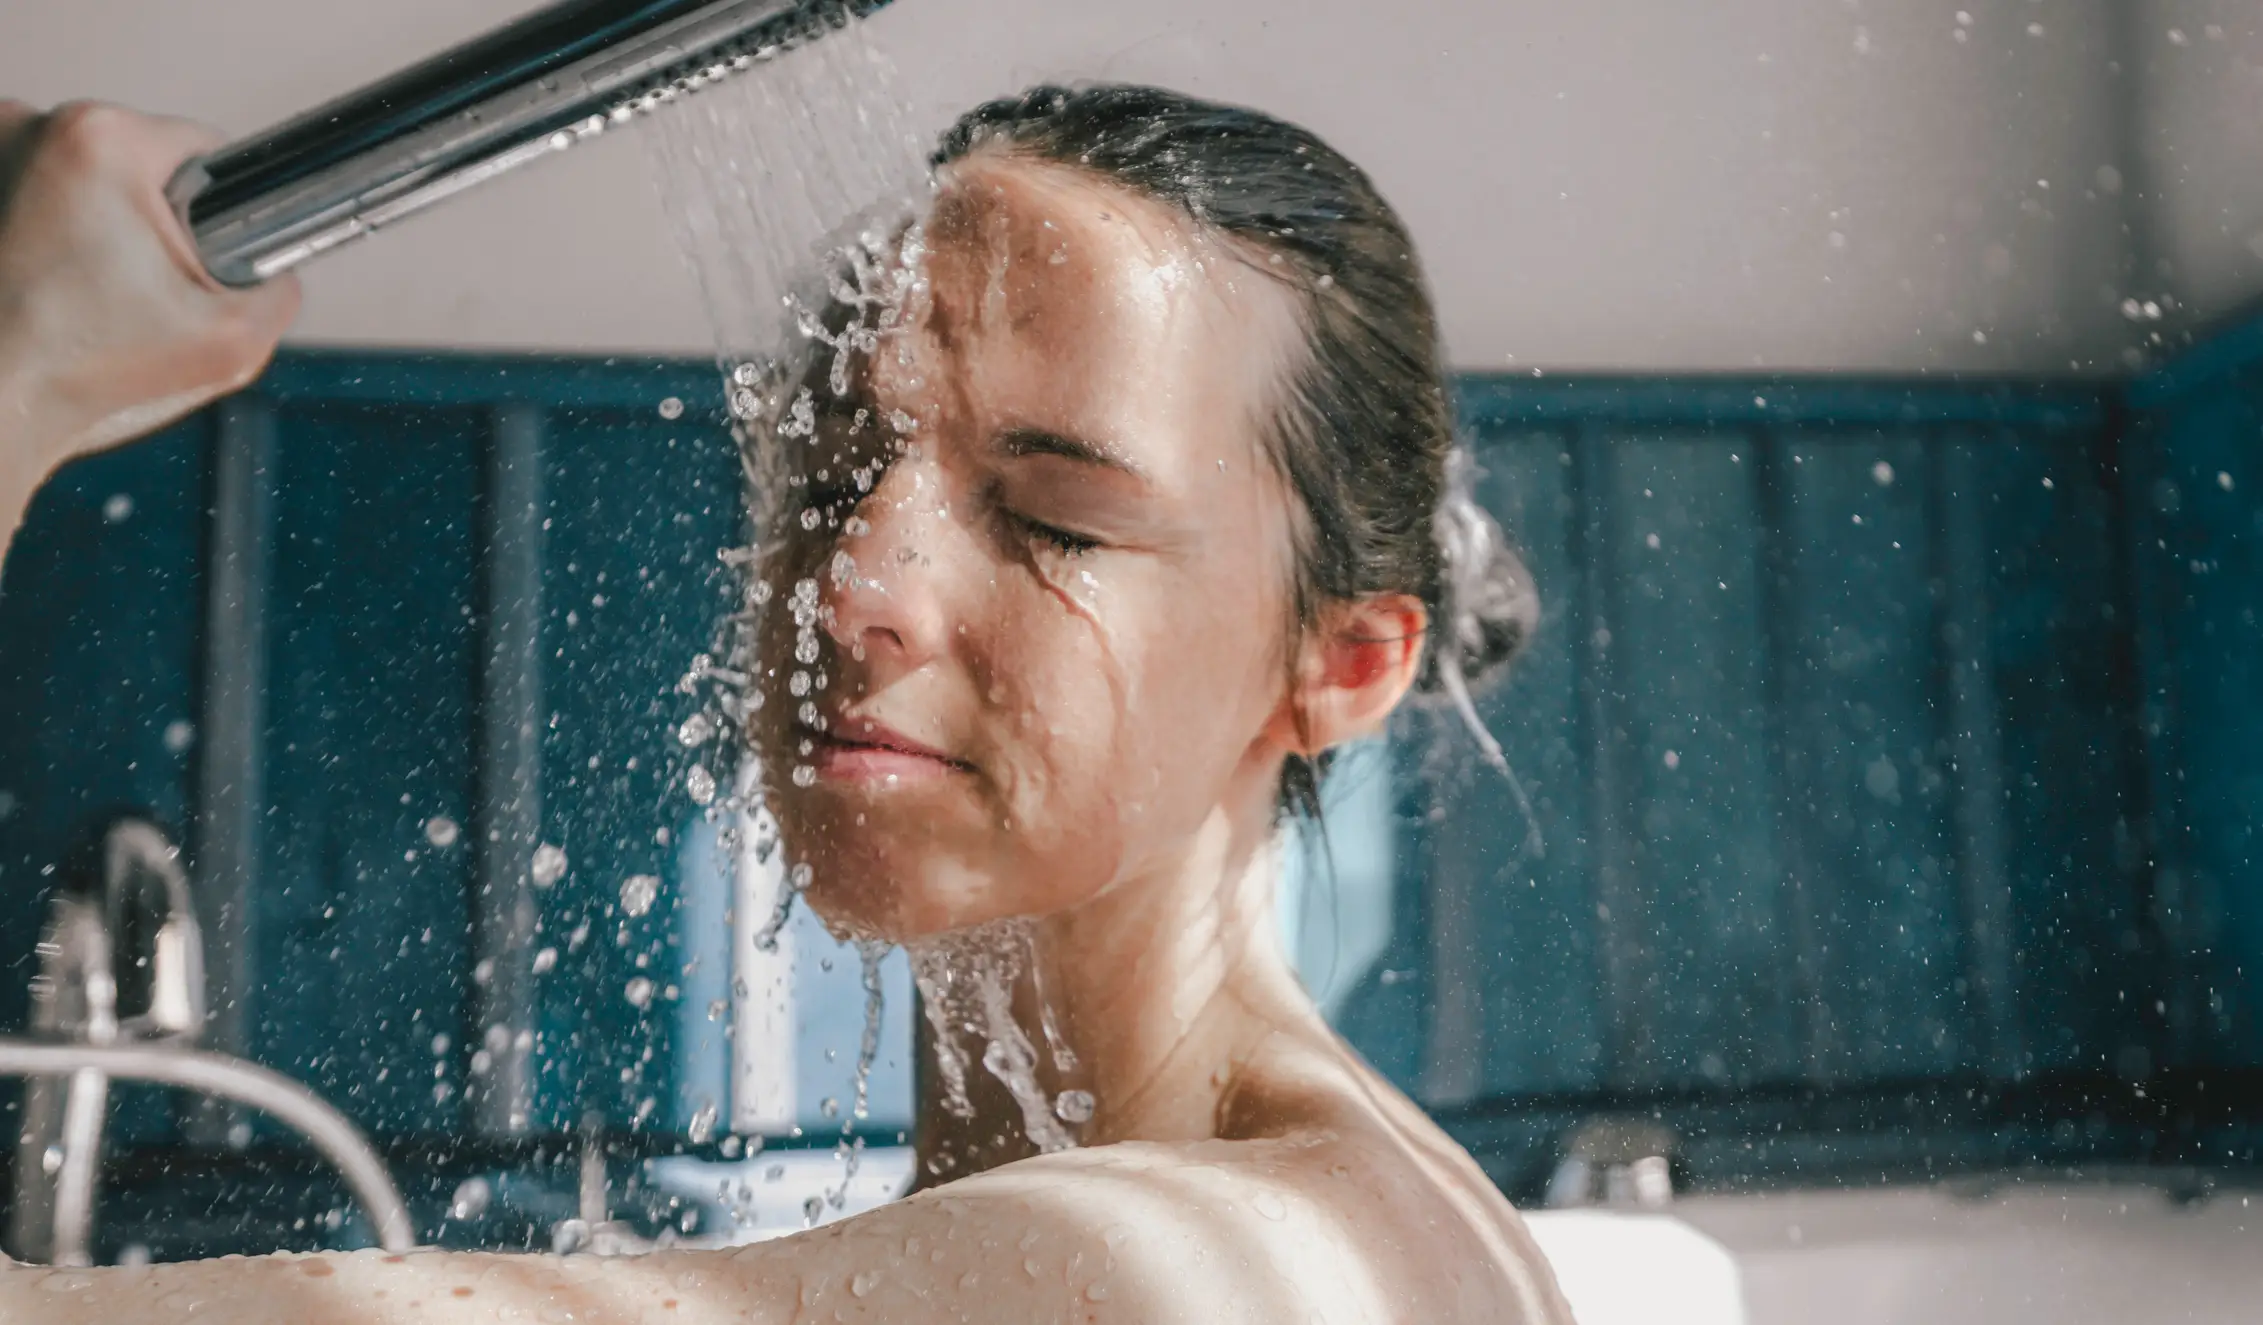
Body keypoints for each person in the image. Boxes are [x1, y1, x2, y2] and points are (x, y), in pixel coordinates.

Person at [0, 84, 1571, 1323]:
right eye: (829, 473)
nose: (851, 580)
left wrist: (23, 363)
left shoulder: (1260, 1273)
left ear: (1340, 664)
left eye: (1051, 521)